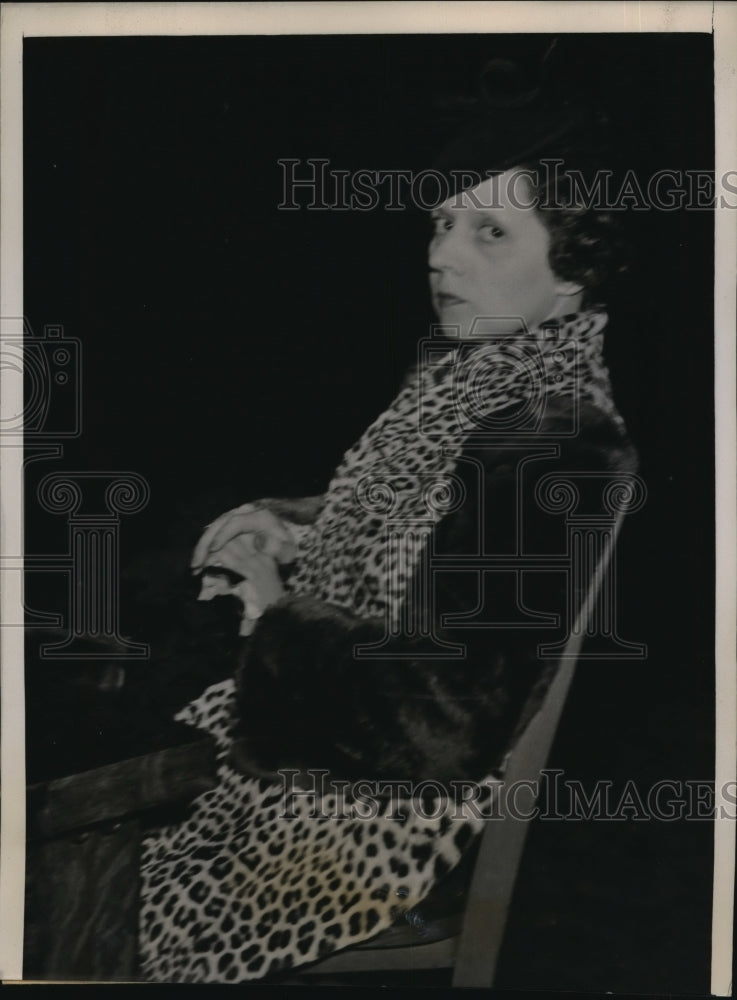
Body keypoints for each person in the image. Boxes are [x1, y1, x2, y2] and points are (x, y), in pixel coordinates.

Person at [137, 63, 639, 983]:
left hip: (360, 831)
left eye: (490, 231)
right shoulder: (484, 387)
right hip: (319, 787)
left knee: (70, 859)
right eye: (443, 223)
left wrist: (274, 615)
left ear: (572, 272)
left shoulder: (550, 439)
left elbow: (446, 717)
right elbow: (418, 520)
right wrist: (286, 526)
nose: (442, 256)